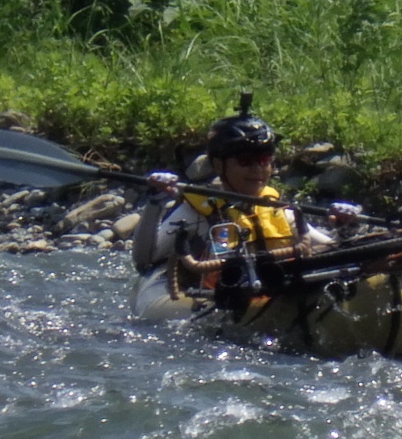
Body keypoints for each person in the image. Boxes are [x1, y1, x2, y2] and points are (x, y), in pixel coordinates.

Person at [131, 98, 337, 300]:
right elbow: (144, 260)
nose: (257, 170)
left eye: (264, 160)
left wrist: (345, 224)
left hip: (277, 295)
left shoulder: (280, 210)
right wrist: (155, 201)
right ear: (218, 165)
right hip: (219, 302)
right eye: (245, 161)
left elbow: (332, 248)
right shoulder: (196, 212)